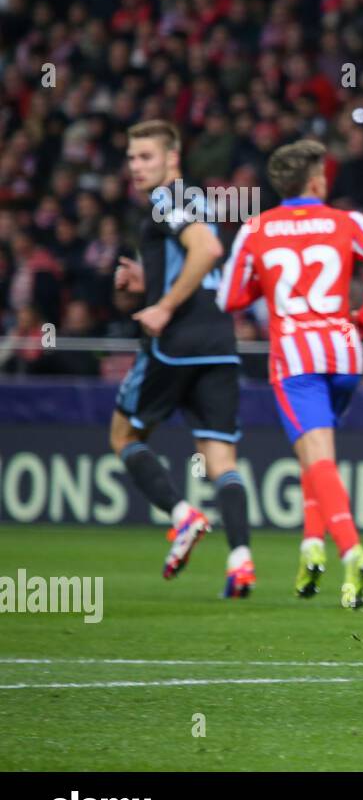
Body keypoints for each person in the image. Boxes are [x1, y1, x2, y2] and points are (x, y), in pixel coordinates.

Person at [218, 139, 363, 609]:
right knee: (315, 456)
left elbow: (230, 299)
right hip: (345, 353)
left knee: (316, 455)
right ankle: (310, 547)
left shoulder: (257, 228)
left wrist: (267, 284)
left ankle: (351, 550)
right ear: (316, 181)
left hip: (295, 360)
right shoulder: (348, 221)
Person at [109, 120, 254, 598]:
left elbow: (208, 249)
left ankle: (182, 515)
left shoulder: (167, 199)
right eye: (131, 158)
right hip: (218, 339)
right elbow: (198, 256)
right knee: (219, 456)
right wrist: (146, 286)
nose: (136, 166)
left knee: (124, 434)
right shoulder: (197, 200)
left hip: (177, 342)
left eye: (146, 157)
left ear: (172, 159)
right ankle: (240, 561)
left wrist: (164, 306)